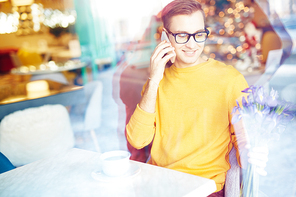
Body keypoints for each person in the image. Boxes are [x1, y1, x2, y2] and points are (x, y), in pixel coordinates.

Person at [126, 0, 267, 196]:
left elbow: (243, 142)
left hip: (204, 188)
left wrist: (251, 153)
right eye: (182, 35)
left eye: (199, 34)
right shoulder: (156, 82)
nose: (192, 44)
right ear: (166, 36)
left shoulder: (230, 80)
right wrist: (154, 80)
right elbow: (137, 140)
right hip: (160, 184)